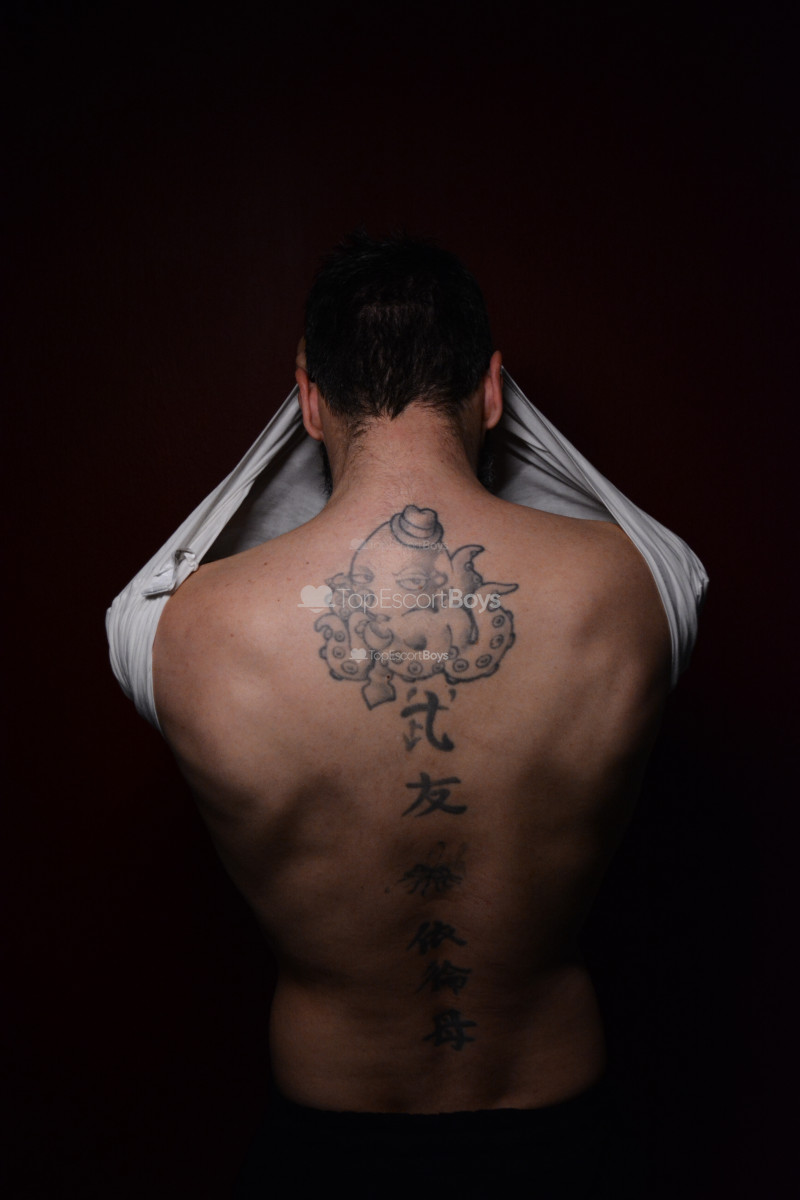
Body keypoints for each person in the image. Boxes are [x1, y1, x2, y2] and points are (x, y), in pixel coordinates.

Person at [107, 233, 707, 1196]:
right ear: (495, 391)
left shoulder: (179, 631)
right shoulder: (640, 591)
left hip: (326, 1147)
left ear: (307, 401)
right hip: (564, 1137)